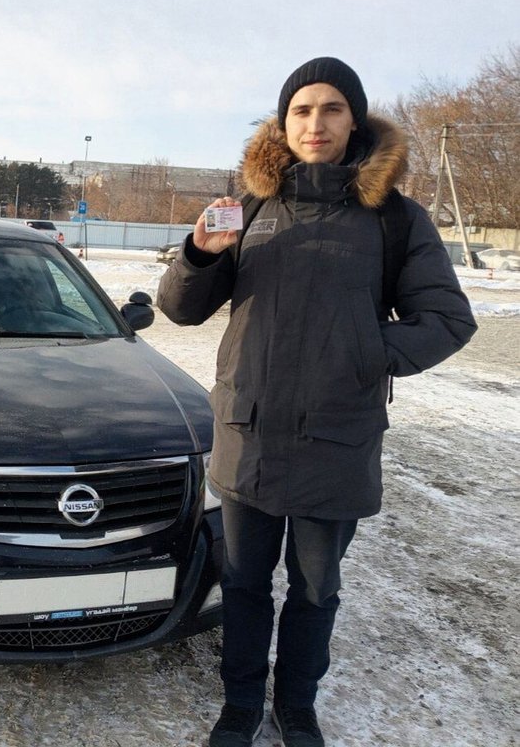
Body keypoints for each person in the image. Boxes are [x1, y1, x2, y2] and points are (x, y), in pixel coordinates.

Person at [157, 57, 476, 747]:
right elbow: (180, 309)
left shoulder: (393, 218)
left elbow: (447, 320)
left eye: (331, 108)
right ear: (283, 123)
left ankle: (296, 706)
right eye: (301, 110)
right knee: (243, 585)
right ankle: (241, 704)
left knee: (314, 590)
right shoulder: (247, 209)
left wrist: (363, 353)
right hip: (248, 434)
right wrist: (199, 255)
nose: (315, 123)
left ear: (353, 121)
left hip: (336, 441)